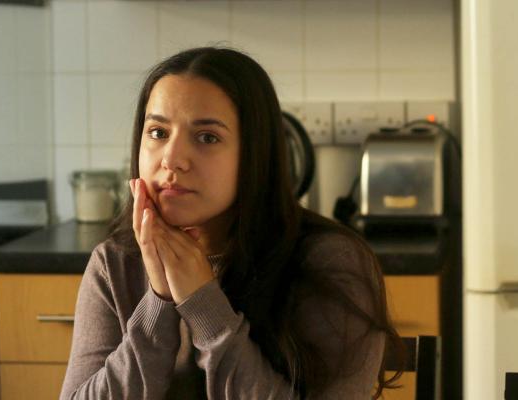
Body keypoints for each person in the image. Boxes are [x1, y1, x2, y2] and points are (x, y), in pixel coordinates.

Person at [59, 47, 403, 400]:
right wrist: (159, 303)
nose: (172, 159)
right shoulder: (114, 264)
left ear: (254, 154)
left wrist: (203, 304)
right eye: (158, 132)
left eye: (207, 137)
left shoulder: (332, 264)